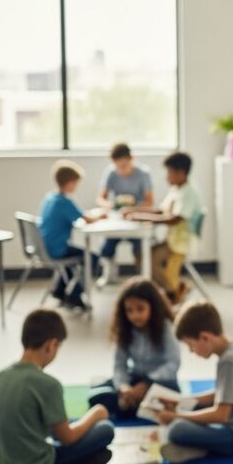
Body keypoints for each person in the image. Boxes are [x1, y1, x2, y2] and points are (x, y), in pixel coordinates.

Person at [0, 309, 114, 464]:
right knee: (105, 428)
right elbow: (67, 438)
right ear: (51, 345)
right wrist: (96, 414)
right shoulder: (48, 384)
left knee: (71, 423)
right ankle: (80, 463)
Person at [154, 299, 233, 464]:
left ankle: (198, 449)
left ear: (205, 337)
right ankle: (197, 445)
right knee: (189, 406)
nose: (191, 351)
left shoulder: (230, 362)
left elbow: (221, 415)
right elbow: (221, 394)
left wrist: (176, 416)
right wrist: (181, 401)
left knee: (177, 429)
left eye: (190, 345)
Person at [88, 277, 180, 419]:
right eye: (129, 310)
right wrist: (124, 388)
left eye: (140, 309)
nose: (134, 315)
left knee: (167, 399)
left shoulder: (165, 327)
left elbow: (173, 364)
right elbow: (120, 365)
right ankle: (131, 403)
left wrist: (147, 384)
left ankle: (130, 406)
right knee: (94, 397)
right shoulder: (125, 329)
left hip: (160, 382)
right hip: (135, 379)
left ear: (153, 307)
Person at [123, 152, 201, 303]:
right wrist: (134, 211)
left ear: (180, 173)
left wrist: (141, 217)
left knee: (148, 260)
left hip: (179, 244)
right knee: (140, 256)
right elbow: (160, 210)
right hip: (171, 241)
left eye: (169, 172)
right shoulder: (177, 189)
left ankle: (173, 292)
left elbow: (174, 219)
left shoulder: (188, 193)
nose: (167, 177)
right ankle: (171, 291)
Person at [38, 160, 105, 309]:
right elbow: (86, 219)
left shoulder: (50, 198)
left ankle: (59, 290)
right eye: (76, 183)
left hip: (44, 246)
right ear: (70, 183)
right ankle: (75, 296)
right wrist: (101, 215)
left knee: (73, 259)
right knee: (92, 258)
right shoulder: (64, 202)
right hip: (56, 249)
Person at [96, 143, 154, 284]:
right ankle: (109, 274)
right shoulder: (111, 173)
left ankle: (141, 278)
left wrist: (133, 208)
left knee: (139, 246)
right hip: (117, 219)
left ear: (131, 158)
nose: (121, 170)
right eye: (118, 166)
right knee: (106, 246)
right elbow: (100, 199)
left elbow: (149, 202)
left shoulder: (143, 174)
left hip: (137, 219)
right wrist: (113, 204)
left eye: (124, 166)